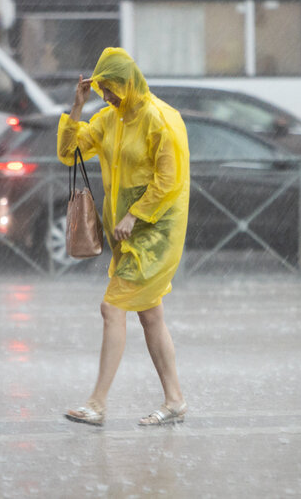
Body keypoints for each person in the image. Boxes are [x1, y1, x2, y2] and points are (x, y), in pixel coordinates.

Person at [58, 47, 190, 427]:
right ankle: (175, 400)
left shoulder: (160, 121)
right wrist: (78, 106)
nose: (108, 97)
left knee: (112, 307)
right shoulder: (108, 119)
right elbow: (70, 152)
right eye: (102, 91)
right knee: (150, 315)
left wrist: (135, 214)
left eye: (112, 89)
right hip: (127, 235)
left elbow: (170, 180)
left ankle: (97, 403)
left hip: (156, 232)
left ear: (129, 83)